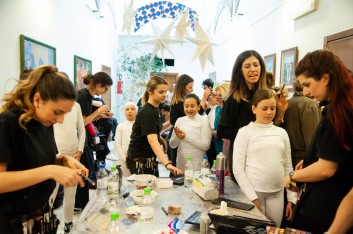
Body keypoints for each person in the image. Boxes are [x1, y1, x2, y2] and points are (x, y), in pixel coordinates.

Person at [0, 65, 88, 233]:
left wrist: (62, 160)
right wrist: (50, 171)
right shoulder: (8, 122)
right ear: (38, 99)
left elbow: (40, 157)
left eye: (65, 113)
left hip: (41, 217)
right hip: (12, 222)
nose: (60, 120)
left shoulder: (44, 121)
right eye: (57, 112)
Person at [283, 50, 353, 233]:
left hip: (325, 209)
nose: (306, 92)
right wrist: (309, 161)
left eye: (307, 84)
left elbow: (326, 168)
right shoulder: (339, 106)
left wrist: (292, 177)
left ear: (325, 78)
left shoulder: (338, 112)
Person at [217, 50, 288, 182]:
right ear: (240, 71)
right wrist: (250, 133)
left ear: (261, 67)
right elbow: (222, 131)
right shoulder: (234, 98)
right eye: (247, 66)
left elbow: (271, 126)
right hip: (243, 158)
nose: (253, 70)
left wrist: (281, 112)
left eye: (256, 65)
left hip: (265, 155)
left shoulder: (268, 95)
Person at [233, 89, 295, 227]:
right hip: (254, 192)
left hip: (277, 192)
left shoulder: (281, 133)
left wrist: (291, 198)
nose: (269, 112)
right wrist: (251, 197)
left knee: (274, 229)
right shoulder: (244, 132)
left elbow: (288, 166)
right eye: (264, 108)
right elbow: (238, 168)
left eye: (272, 108)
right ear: (254, 109)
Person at [127, 76, 182, 176]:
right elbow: (152, 141)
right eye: (161, 92)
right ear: (150, 92)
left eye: (165, 92)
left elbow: (151, 130)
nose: (164, 95)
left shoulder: (156, 108)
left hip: (148, 157)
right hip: (140, 158)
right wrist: (167, 163)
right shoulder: (148, 112)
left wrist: (160, 139)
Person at [75, 71, 113, 210]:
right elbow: (83, 121)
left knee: (87, 168)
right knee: (85, 170)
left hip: (82, 137)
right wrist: (98, 112)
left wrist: (101, 115)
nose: (104, 91)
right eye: (105, 88)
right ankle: (82, 205)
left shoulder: (88, 96)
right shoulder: (84, 96)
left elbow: (87, 119)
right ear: (98, 84)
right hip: (77, 139)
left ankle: (81, 204)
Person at [54, 99, 85, 233]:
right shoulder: (51, 106)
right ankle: (48, 220)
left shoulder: (76, 105)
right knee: (51, 190)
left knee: (71, 191)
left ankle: (68, 221)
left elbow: (81, 130)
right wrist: (57, 154)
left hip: (73, 155)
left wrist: (80, 150)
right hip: (55, 154)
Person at [282, 80, 321, 167]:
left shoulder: (288, 102)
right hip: (305, 162)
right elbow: (313, 141)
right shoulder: (310, 104)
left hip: (290, 160)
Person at [169, 74, 205, 168]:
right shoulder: (179, 104)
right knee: (178, 166)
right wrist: (204, 99)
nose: (192, 90)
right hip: (178, 138)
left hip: (186, 141)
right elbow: (197, 113)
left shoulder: (177, 102)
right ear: (183, 87)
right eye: (190, 87)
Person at [169, 93, 212, 172]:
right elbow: (172, 145)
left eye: (192, 106)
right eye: (186, 106)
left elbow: (205, 146)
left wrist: (185, 136)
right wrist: (178, 137)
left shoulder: (204, 121)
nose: (189, 109)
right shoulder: (180, 120)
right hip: (181, 163)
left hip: (197, 164)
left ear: (198, 107)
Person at [114, 102, 138, 176]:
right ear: (124, 112)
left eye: (132, 109)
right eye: (127, 109)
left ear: (136, 111)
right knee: (124, 181)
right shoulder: (120, 126)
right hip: (123, 159)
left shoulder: (139, 126)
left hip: (136, 158)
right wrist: (125, 158)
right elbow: (117, 144)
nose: (130, 111)